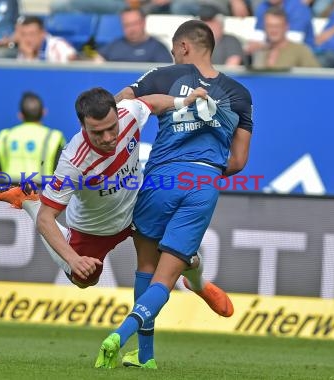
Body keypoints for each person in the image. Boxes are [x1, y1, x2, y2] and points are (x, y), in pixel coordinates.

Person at [96, 19, 253, 369]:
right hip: (205, 182)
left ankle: (140, 351)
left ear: (183, 48)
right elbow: (239, 161)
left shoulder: (163, 74)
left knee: (146, 267)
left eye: (173, 48)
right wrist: (204, 169)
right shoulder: (240, 94)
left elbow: (119, 106)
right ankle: (129, 343)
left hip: (161, 180)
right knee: (165, 279)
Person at [0, 87, 206, 288]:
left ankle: (199, 286)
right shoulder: (73, 163)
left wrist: (182, 102)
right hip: (95, 228)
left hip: (137, 207)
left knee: (185, 256)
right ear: (83, 125)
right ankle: (30, 202)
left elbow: (150, 103)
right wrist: (73, 259)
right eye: (98, 132)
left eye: (112, 128)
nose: (108, 138)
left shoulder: (128, 113)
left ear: (117, 114)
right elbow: (45, 218)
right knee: (83, 279)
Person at [0, 92, 66, 183]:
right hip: (41, 193)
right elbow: (60, 173)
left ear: (20, 115)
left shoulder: (5, 136)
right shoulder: (53, 137)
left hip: (9, 193)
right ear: (44, 112)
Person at [250, 7, 320, 69]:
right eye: (269, 26)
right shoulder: (260, 52)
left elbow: (316, 77)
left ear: (286, 26)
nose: (273, 30)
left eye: (277, 26)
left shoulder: (301, 50)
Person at [96, 7, 172, 63]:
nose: (131, 29)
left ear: (143, 22)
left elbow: (166, 76)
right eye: (127, 25)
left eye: (135, 24)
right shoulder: (114, 45)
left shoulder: (157, 48)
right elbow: (96, 60)